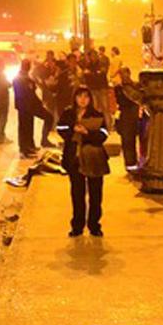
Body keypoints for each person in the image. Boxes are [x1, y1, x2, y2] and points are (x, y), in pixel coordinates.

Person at [57, 87, 109, 237]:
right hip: (74, 158)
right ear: (75, 98)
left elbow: (103, 134)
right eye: (80, 96)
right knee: (77, 193)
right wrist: (72, 129)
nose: (83, 100)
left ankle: (94, 225)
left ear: (90, 99)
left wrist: (87, 133)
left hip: (93, 158)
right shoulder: (68, 113)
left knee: (95, 193)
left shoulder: (97, 114)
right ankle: (77, 226)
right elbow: (60, 128)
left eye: (86, 97)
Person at [13, 59, 53, 157]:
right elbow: (29, 94)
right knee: (25, 127)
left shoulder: (23, 77)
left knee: (28, 126)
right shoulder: (21, 78)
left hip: (27, 106)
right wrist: (38, 104)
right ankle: (25, 149)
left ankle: (30, 146)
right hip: (26, 106)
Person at [114, 67, 142, 169]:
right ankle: (131, 164)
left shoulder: (135, 86)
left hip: (133, 115)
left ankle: (134, 163)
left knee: (131, 141)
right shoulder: (119, 88)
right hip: (126, 115)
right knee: (127, 141)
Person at [83, 49, 109, 124]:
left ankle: (108, 124)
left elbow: (102, 73)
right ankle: (98, 124)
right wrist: (94, 74)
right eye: (91, 56)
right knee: (95, 107)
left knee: (105, 107)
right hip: (93, 88)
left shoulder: (101, 64)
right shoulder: (88, 65)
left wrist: (92, 74)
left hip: (102, 88)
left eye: (94, 55)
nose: (93, 57)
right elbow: (86, 76)